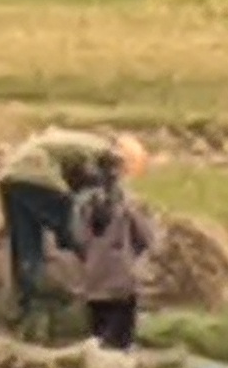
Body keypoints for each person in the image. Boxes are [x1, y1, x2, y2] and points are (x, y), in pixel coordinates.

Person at [0, 124, 128, 311]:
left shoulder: (71, 141)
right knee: (76, 232)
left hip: (10, 179)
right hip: (38, 177)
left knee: (26, 243)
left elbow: (75, 181)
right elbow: (103, 189)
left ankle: (28, 304)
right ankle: (102, 289)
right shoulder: (104, 151)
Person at [65, 149, 159, 352]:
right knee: (120, 345)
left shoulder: (82, 204)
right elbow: (148, 238)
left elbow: (77, 238)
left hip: (92, 281)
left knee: (98, 343)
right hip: (122, 282)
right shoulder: (130, 203)